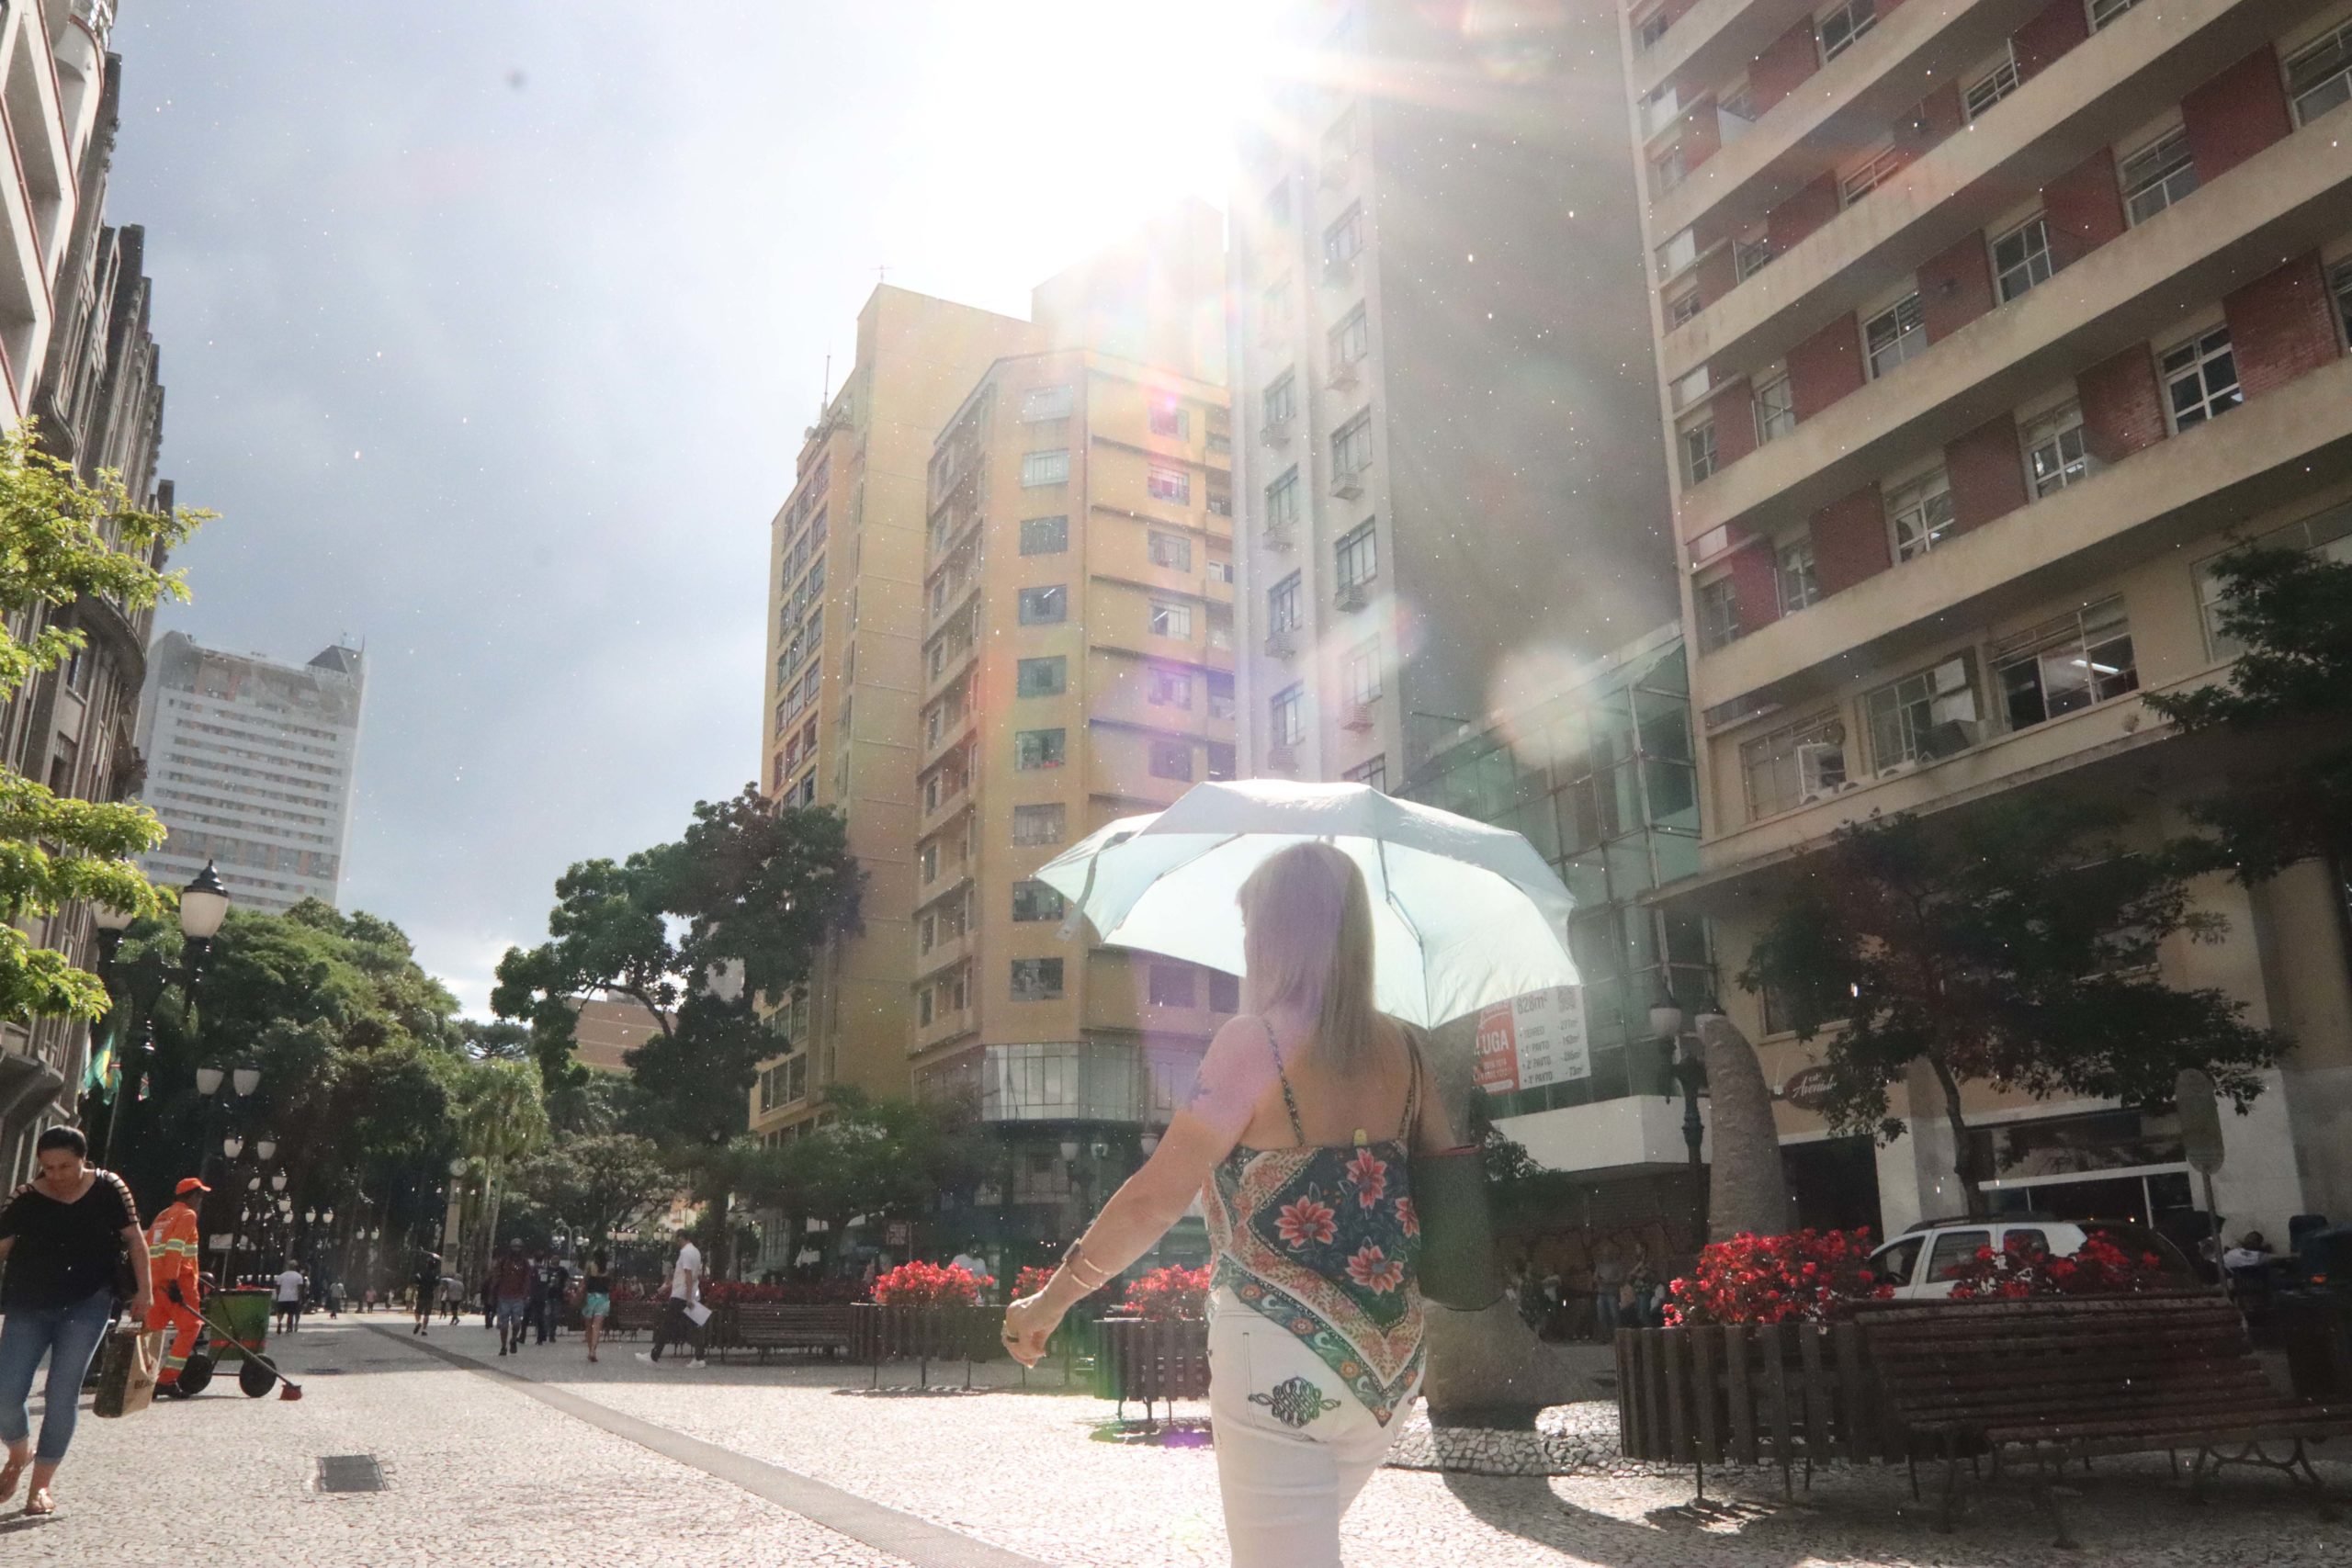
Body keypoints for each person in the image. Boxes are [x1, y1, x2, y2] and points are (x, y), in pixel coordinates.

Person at [1001, 842, 1454, 1567]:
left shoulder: (1254, 1045)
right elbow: (1442, 1191)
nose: (1244, 948)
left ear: (1279, 937)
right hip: (1389, 1371)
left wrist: (1050, 1302)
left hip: (1276, 1357)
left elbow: (1155, 1198)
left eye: (1250, 930)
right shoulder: (1408, 1050)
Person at [0, 1126, 153, 1518]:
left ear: (84, 1159)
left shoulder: (109, 1188)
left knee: (61, 1394)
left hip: (87, 1303)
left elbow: (136, 1240)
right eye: (47, 1167)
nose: (56, 1175)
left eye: (65, 1166)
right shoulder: (26, 1198)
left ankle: (41, 1488)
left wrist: (144, 1294)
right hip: (28, 1304)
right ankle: (20, 1454)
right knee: (5, 1394)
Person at [144, 1179, 209, 1394]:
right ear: (192, 1196)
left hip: (156, 1283)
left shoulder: (162, 1216)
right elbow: (175, 1249)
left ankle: (143, 1377)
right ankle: (167, 1380)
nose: (200, 1201)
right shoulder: (187, 1215)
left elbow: (150, 1249)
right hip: (179, 1282)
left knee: (152, 1330)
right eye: (200, 1196)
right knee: (191, 1327)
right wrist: (174, 1282)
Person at [643, 1236, 706, 1366]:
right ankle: (699, 1358)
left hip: (681, 1295)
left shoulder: (685, 1253)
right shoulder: (696, 1252)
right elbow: (688, 1276)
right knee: (695, 1326)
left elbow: (687, 1275)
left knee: (667, 1324)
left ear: (680, 1239)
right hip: (691, 1292)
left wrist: (687, 1297)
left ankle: (654, 1355)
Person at [489, 1241, 533, 1355]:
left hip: (518, 1297)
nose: (516, 1249)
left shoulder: (524, 1263)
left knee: (517, 1322)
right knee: (504, 1324)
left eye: (518, 1247)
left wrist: (526, 1293)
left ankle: (513, 1339)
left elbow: (527, 1279)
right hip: (503, 1296)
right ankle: (503, 1346)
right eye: (514, 1247)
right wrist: (494, 1292)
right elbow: (496, 1276)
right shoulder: (503, 1261)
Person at [578, 1247, 614, 1364]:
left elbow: (584, 1280)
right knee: (597, 1327)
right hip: (603, 1299)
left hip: (590, 1298)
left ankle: (590, 1350)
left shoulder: (590, 1266)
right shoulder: (609, 1269)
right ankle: (593, 1350)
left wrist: (580, 1291)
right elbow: (610, 1283)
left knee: (588, 1326)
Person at [412, 1251, 442, 1337]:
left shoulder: (420, 1273)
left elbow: (416, 1282)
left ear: (426, 1264)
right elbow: (437, 1284)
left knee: (418, 1311)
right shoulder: (435, 1275)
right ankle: (424, 1330)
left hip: (421, 1294)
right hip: (430, 1295)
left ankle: (418, 1322)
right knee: (427, 1314)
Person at [273, 1263, 306, 1334]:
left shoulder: (281, 1276)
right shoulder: (298, 1276)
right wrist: (300, 1298)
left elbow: (278, 1287)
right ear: (295, 1267)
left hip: (282, 1297)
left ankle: (279, 1322)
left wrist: (278, 1296)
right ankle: (289, 1327)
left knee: (280, 1312)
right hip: (293, 1297)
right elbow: (300, 1289)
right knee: (290, 1313)